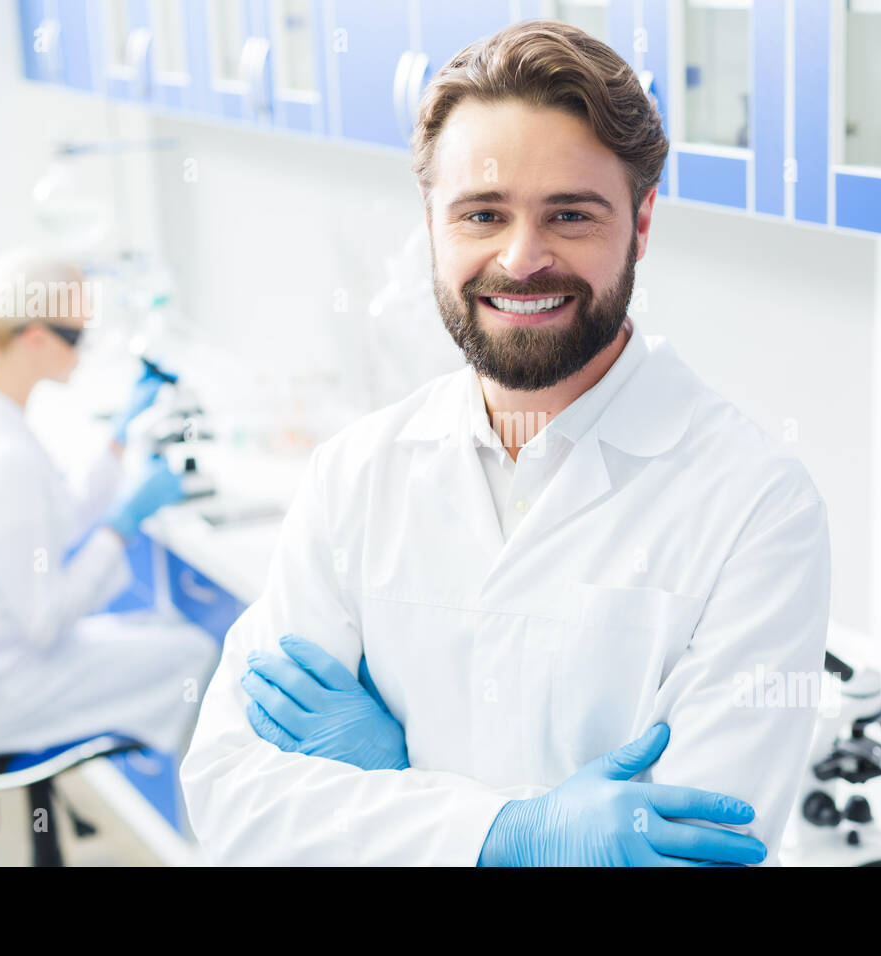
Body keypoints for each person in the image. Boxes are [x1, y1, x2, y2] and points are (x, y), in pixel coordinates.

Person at [182, 20, 829, 865]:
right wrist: (515, 834)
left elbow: (696, 852)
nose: (523, 260)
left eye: (570, 215)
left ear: (641, 224)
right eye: (483, 213)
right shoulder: (357, 475)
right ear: (431, 222)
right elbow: (231, 800)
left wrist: (395, 776)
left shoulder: (755, 506)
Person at [0, 250, 218, 756]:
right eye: (77, 336)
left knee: (158, 635)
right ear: (36, 338)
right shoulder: (3, 457)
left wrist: (116, 442)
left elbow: (43, 526)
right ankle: (201, 830)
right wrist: (121, 525)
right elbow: (45, 623)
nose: (85, 349)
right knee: (193, 654)